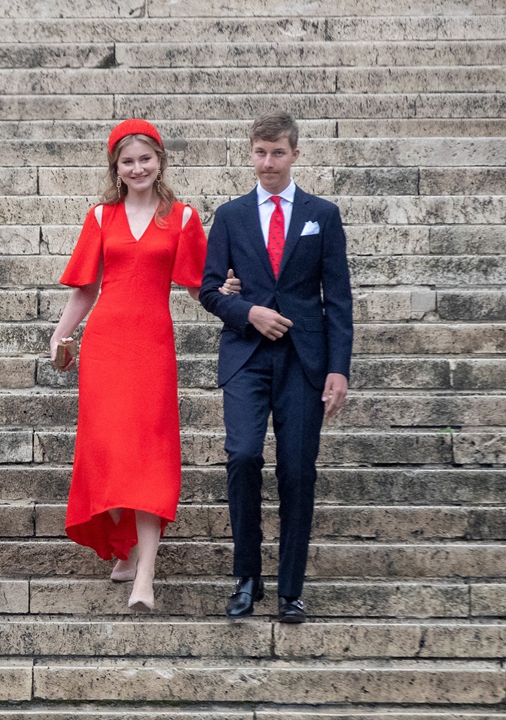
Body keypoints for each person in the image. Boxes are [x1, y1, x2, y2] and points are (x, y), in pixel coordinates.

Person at [199, 111, 353, 624]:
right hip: (246, 356)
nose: (268, 162)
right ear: (251, 153)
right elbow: (208, 289)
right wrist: (248, 312)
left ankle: (291, 588)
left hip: (305, 361)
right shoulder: (231, 215)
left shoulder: (322, 215)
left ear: (295, 154)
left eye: (278, 153)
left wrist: (339, 369)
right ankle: (246, 577)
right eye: (260, 152)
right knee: (242, 456)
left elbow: (340, 300)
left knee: (297, 471)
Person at [50, 119, 209, 612]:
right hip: (106, 347)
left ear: (159, 161)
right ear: (115, 169)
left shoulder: (182, 218)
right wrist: (61, 334)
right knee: (111, 451)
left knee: (148, 457)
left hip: (152, 348)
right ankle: (123, 544)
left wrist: (233, 293)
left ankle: (145, 575)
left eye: (145, 158)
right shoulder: (100, 217)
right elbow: (86, 289)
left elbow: (196, 286)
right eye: (127, 161)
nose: (137, 168)